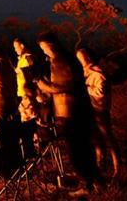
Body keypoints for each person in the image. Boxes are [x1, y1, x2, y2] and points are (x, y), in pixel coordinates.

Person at [35, 32, 98, 192]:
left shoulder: (60, 61)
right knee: (81, 148)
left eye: (43, 48)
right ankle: (94, 181)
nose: (43, 51)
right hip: (74, 110)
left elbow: (67, 86)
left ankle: (87, 184)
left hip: (71, 112)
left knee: (77, 150)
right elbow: (65, 83)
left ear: (50, 45)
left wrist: (44, 85)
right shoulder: (65, 59)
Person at [76, 48, 121, 177]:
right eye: (79, 58)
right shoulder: (85, 72)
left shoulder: (98, 73)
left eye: (83, 57)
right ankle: (100, 165)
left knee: (108, 137)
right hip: (90, 108)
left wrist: (86, 88)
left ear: (89, 57)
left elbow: (100, 92)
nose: (81, 60)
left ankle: (117, 167)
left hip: (100, 109)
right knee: (96, 138)